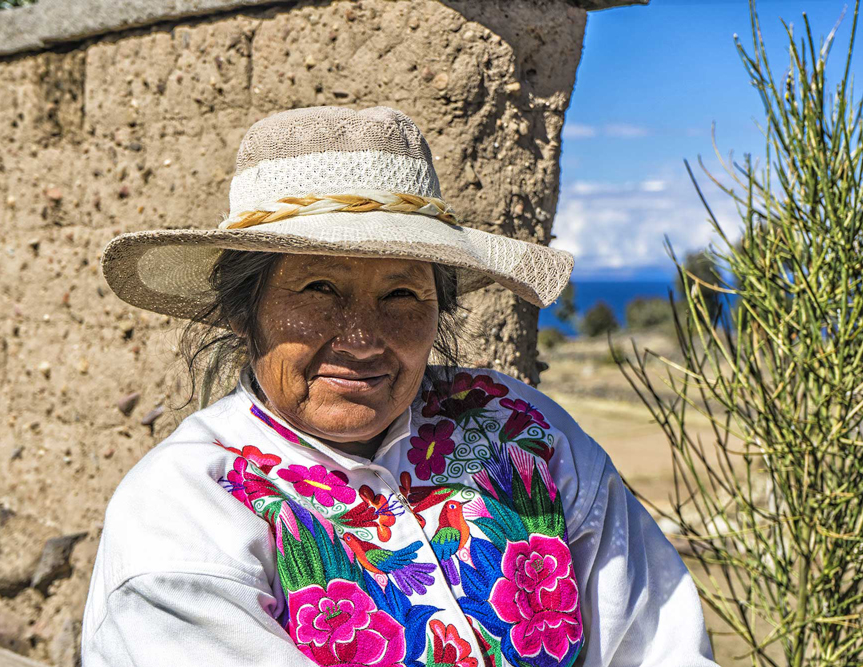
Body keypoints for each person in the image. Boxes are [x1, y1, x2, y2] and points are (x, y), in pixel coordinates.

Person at [81, 106, 718, 667]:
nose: (363, 338)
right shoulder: (189, 504)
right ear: (244, 311)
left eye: (402, 294)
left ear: (438, 309)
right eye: (319, 289)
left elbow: (658, 641)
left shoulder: (521, 433)